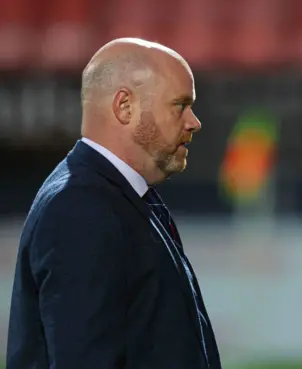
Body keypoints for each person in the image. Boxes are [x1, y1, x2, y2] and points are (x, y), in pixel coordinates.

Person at [6, 38, 222, 369]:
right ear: (125, 107)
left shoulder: (117, 197)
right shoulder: (80, 209)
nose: (194, 121)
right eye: (180, 105)